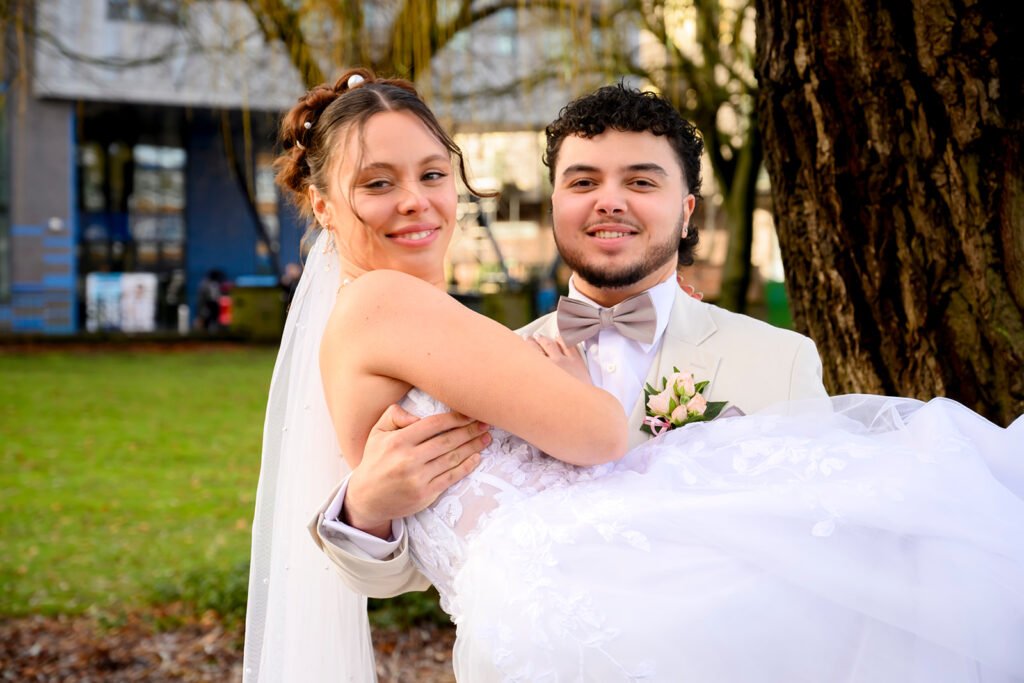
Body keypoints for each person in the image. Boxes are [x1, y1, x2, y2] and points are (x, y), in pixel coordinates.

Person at [247, 71, 1024, 681]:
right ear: (554, 203)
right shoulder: (493, 350)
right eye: (582, 181)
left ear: (687, 211)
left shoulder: (777, 357)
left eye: (641, 182)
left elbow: (835, 555)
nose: (609, 201)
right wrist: (366, 507)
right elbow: (406, 568)